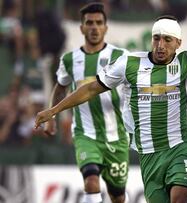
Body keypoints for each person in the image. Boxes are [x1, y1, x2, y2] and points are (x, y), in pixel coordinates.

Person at [35, 15, 187, 203]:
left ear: (178, 43)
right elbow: (92, 88)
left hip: (180, 147)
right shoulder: (129, 63)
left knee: (180, 197)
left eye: (167, 40)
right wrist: (53, 110)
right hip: (149, 155)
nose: (160, 45)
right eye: (156, 38)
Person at [42, 3, 131, 203]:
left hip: (117, 137)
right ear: (81, 28)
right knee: (91, 181)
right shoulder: (70, 60)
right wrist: (52, 116)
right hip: (86, 134)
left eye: (99, 23)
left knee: (118, 196)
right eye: (89, 23)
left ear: (105, 28)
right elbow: (60, 87)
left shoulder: (120, 57)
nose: (94, 27)